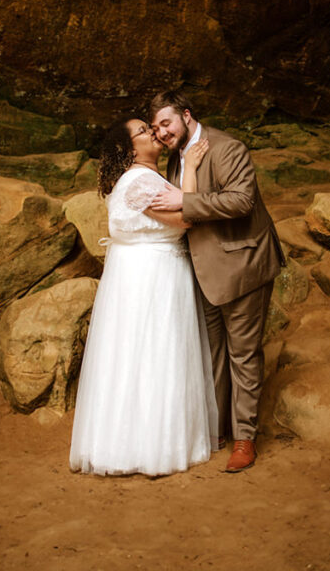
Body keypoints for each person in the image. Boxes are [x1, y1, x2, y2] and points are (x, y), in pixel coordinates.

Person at [69, 117, 218, 476]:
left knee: (138, 355)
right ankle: (151, 448)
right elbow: (185, 218)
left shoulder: (145, 178)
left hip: (146, 273)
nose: (152, 133)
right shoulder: (139, 181)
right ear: (129, 149)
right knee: (155, 353)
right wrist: (193, 167)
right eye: (142, 131)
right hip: (151, 277)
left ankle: (138, 440)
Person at [148, 90, 283, 472]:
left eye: (167, 123)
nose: (161, 132)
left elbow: (242, 200)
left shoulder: (227, 147)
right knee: (212, 355)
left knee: (243, 354)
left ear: (186, 115)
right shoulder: (176, 160)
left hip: (242, 266)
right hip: (201, 273)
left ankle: (245, 439)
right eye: (156, 127)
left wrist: (184, 203)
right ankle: (217, 429)